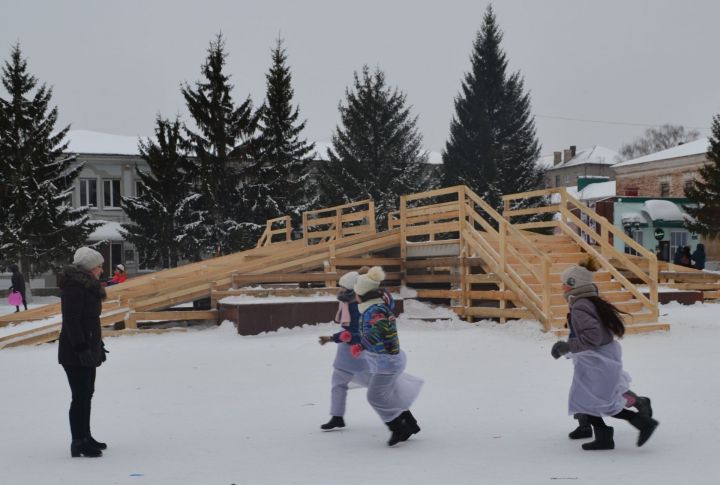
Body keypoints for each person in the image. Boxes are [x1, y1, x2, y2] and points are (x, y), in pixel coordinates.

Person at [551, 256, 659, 450]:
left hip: (597, 359)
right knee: (587, 396)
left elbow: (592, 336)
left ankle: (633, 426)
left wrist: (569, 347)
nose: (561, 288)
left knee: (595, 400)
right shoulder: (587, 301)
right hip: (597, 358)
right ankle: (593, 430)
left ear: (572, 285)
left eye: (564, 284)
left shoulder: (580, 305)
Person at [351, 266, 423, 446]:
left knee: (375, 396)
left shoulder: (375, 310)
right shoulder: (374, 307)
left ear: (363, 295)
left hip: (387, 362)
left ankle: (398, 428)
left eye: (356, 293)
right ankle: (411, 424)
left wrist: (362, 344)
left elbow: (380, 328)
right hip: (384, 360)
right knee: (391, 392)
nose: (354, 297)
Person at [58, 247, 109, 458]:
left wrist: (99, 345)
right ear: (89, 268)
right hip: (75, 352)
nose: (101, 270)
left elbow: (90, 321)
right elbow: (72, 321)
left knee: (87, 394)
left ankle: (86, 435)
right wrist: (82, 348)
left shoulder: (88, 287)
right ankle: (77, 441)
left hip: (88, 348)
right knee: (79, 396)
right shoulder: (74, 288)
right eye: (98, 266)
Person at [317, 271, 370, 430]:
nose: (339, 291)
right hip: (345, 353)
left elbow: (355, 334)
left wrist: (332, 338)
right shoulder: (346, 302)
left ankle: (401, 414)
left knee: (379, 388)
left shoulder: (357, 306)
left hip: (359, 352)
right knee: (338, 384)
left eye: (342, 288)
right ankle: (337, 416)